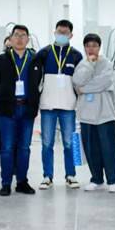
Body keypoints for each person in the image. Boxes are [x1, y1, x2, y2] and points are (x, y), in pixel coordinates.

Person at [0, 24, 42, 196]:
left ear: (28, 39)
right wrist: (4, 97)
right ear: (10, 39)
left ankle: (22, 182)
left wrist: (33, 99)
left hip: (27, 109)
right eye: (16, 35)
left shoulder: (34, 59)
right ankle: (6, 183)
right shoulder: (2, 59)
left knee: (24, 147)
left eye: (23, 35)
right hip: (7, 109)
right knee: (6, 147)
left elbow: (40, 82)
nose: (19, 38)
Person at [32, 19, 83, 190]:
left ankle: (71, 175)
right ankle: (47, 176)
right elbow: (36, 78)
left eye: (65, 33)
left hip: (68, 106)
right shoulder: (44, 53)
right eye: (59, 32)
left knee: (69, 143)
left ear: (71, 35)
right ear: (54, 32)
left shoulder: (76, 55)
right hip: (48, 106)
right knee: (47, 143)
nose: (62, 35)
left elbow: (80, 80)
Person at [73, 34, 115, 192]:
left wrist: (84, 89)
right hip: (86, 114)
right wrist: (89, 65)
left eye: (94, 45)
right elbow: (77, 81)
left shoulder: (106, 63)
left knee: (108, 148)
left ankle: (113, 180)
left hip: (104, 113)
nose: (91, 48)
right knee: (91, 149)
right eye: (88, 45)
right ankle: (96, 179)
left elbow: (103, 83)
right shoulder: (82, 64)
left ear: (99, 47)